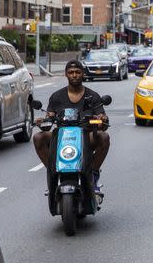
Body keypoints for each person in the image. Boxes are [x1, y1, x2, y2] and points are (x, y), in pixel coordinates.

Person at [33, 60, 111, 198]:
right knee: (38, 137)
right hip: (62, 137)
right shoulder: (56, 96)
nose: (74, 75)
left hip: (86, 136)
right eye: (71, 72)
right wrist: (42, 121)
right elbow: (49, 118)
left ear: (83, 74)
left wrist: (102, 119)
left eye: (77, 72)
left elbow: (103, 123)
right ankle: (53, 173)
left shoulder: (93, 96)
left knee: (104, 137)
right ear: (66, 75)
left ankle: (93, 174)